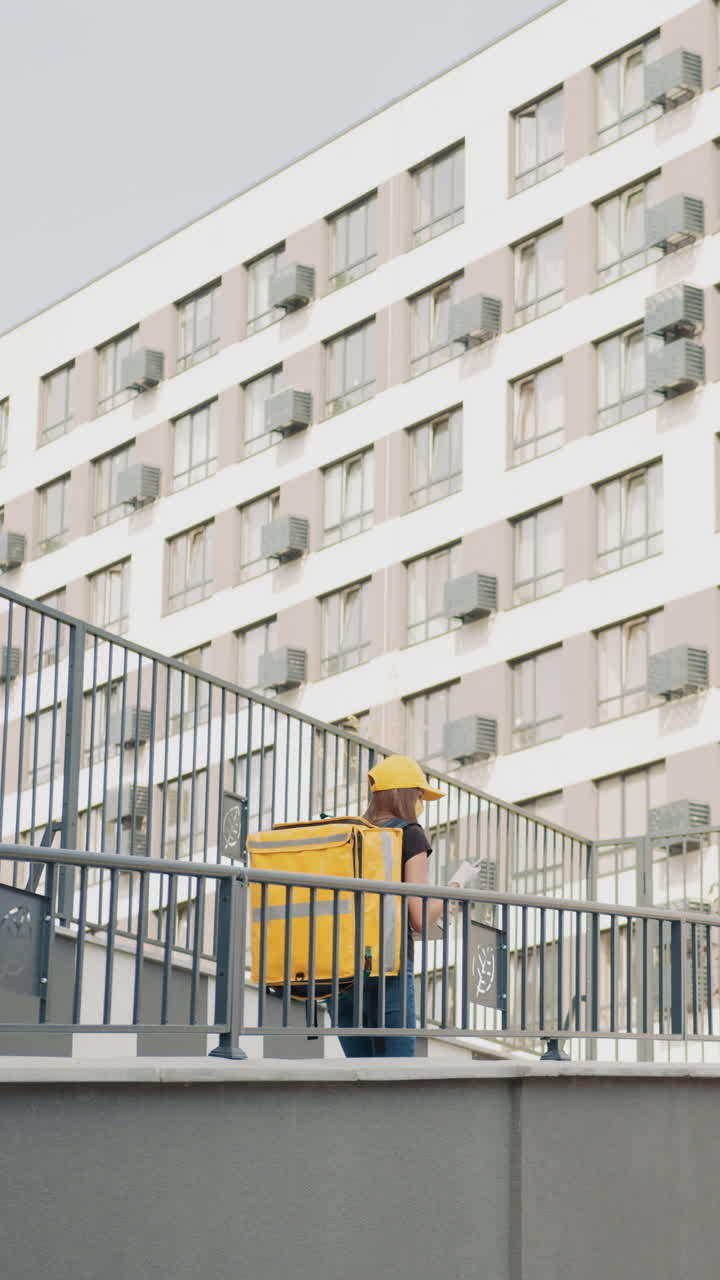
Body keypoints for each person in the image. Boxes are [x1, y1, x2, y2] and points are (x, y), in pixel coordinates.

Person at [336, 754, 476, 1058]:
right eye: (419, 795)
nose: (420, 803)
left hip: (341, 968)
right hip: (390, 964)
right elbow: (419, 917)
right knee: (399, 1070)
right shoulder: (408, 834)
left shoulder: (350, 835)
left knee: (358, 1071)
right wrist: (455, 887)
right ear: (405, 795)